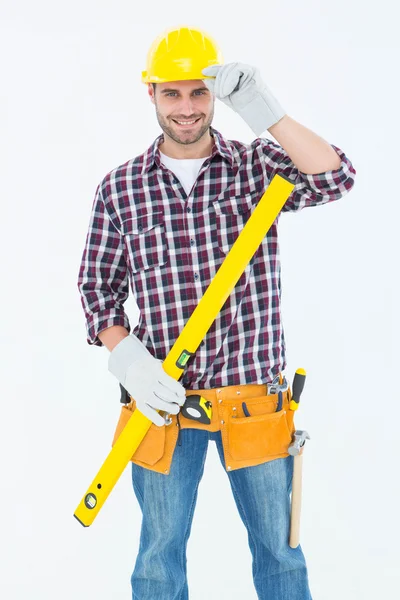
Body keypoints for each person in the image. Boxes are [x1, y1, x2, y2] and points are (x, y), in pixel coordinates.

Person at [77, 25, 356, 600]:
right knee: (157, 562)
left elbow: (335, 177)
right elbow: (97, 289)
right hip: (161, 409)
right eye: (172, 93)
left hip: (253, 404)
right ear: (150, 94)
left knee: (280, 557)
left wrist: (264, 110)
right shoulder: (121, 188)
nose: (186, 107)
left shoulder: (257, 168)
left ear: (215, 96)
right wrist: (129, 361)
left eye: (198, 92)